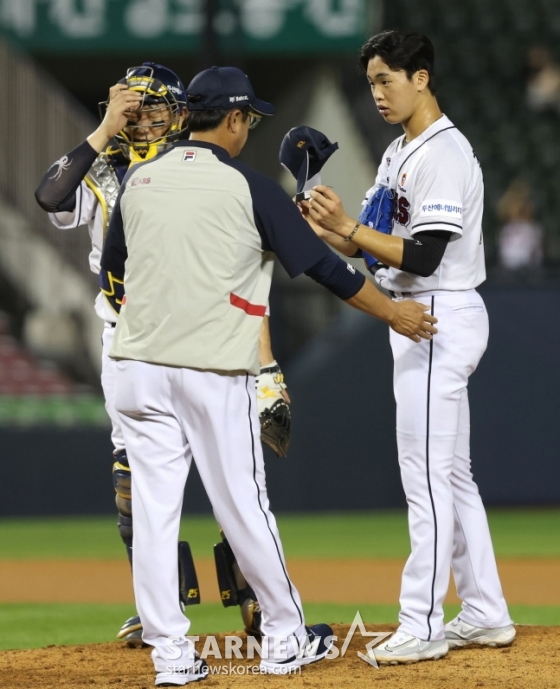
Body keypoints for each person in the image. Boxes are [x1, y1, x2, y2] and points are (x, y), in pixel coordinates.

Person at [100, 65, 436, 685]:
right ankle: (284, 637)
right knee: (245, 505)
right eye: (247, 118)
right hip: (210, 370)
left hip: (135, 369)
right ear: (232, 119)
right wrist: (395, 313)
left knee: (153, 513)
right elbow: (328, 272)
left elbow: (113, 274)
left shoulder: (139, 179)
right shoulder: (250, 187)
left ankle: (172, 659)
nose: (247, 128)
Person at [303, 30, 516, 665]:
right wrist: (327, 220)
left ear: (421, 77)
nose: (377, 93)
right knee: (451, 475)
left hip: (435, 314)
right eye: (370, 82)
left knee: (424, 479)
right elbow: (369, 243)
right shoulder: (400, 151)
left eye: (386, 80)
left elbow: (424, 253)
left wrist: (348, 228)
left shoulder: (443, 153)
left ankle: (421, 623)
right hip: (421, 315)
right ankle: (483, 612)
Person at [34, 63, 265, 645]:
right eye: (132, 109)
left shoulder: (200, 163)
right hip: (128, 338)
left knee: (229, 467)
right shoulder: (105, 169)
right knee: (133, 476)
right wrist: (104, 131)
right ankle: (152, 600)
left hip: (200, 328)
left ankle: (256, 597)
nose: (142, 119)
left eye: (152, 108)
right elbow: (49, 195)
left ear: (181, 111)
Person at [497, 179, 543, 273]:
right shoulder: (506, 230)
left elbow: (536, 255)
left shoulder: (532, 230)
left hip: (528, 273)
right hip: (507, 272)